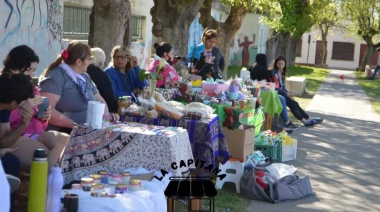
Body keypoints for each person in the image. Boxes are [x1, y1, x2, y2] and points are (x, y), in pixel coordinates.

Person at [39, 42, 108, 134]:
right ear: (79, 62)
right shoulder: (56, 76)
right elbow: (46, 110)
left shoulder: (85, 77)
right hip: (62, 131)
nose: (90, 62)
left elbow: (100, 101)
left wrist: (106, 120)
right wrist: (76, 126)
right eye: (89, 59)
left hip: (88, 130)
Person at [249, 53, 300, 130]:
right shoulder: (260, 69)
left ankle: (286, 122)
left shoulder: (256, 67)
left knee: (283, 98)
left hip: (263, 91)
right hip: (261, 93)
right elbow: (270, 73)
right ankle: (287, 122)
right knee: (283, 98)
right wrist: (276, 71)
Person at [270, 56, 323, 127]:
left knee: (295, 103)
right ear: (276, 64)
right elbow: (275, 87)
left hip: (282, 93)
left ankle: (308, 118)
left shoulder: (282, 72)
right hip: (276, 93)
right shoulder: (273, 73)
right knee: (292, 104)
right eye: (279, 64)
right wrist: (286, 93)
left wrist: (288, 92)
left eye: (282, 64)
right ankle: (304, 121)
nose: (281, 66)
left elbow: (282, 86)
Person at [87, 47, 118, 113]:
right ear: (101, 63)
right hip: (99, 111)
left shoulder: (80, 72)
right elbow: (110, 99)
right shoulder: (102, 75)